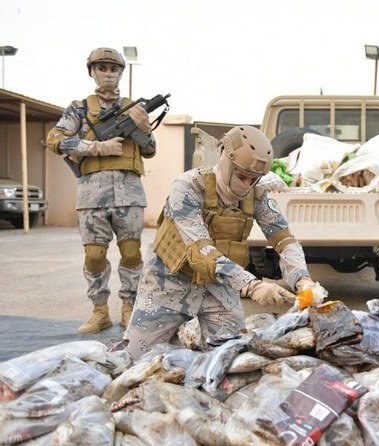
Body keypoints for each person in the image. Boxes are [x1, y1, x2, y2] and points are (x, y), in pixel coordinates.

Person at [124, 125, 322, 359]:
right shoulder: (188, 187)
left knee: (229, 359)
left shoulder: (257, 196)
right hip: (168, 283)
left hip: (218, 287)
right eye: (242, 176)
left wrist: (303, 279)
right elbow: (201, 250)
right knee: (134, 360)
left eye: (254, 179)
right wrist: (252, 285)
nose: (247, 185)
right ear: (227, 163)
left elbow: (284, 240)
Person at [46, 47, 156, 334]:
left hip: (129, 193)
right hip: (91, 195)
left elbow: (150, 149)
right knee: (94, 255)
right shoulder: (79, 109)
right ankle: (99, 311)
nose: (108, 73)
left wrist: (143, 128)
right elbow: (55, 140)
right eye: (102, 68)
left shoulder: (134, 107)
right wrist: (95, 147)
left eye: (113, 68)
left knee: (131, 253)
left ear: (120, 72)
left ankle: (130, 308)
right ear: (92, 72)